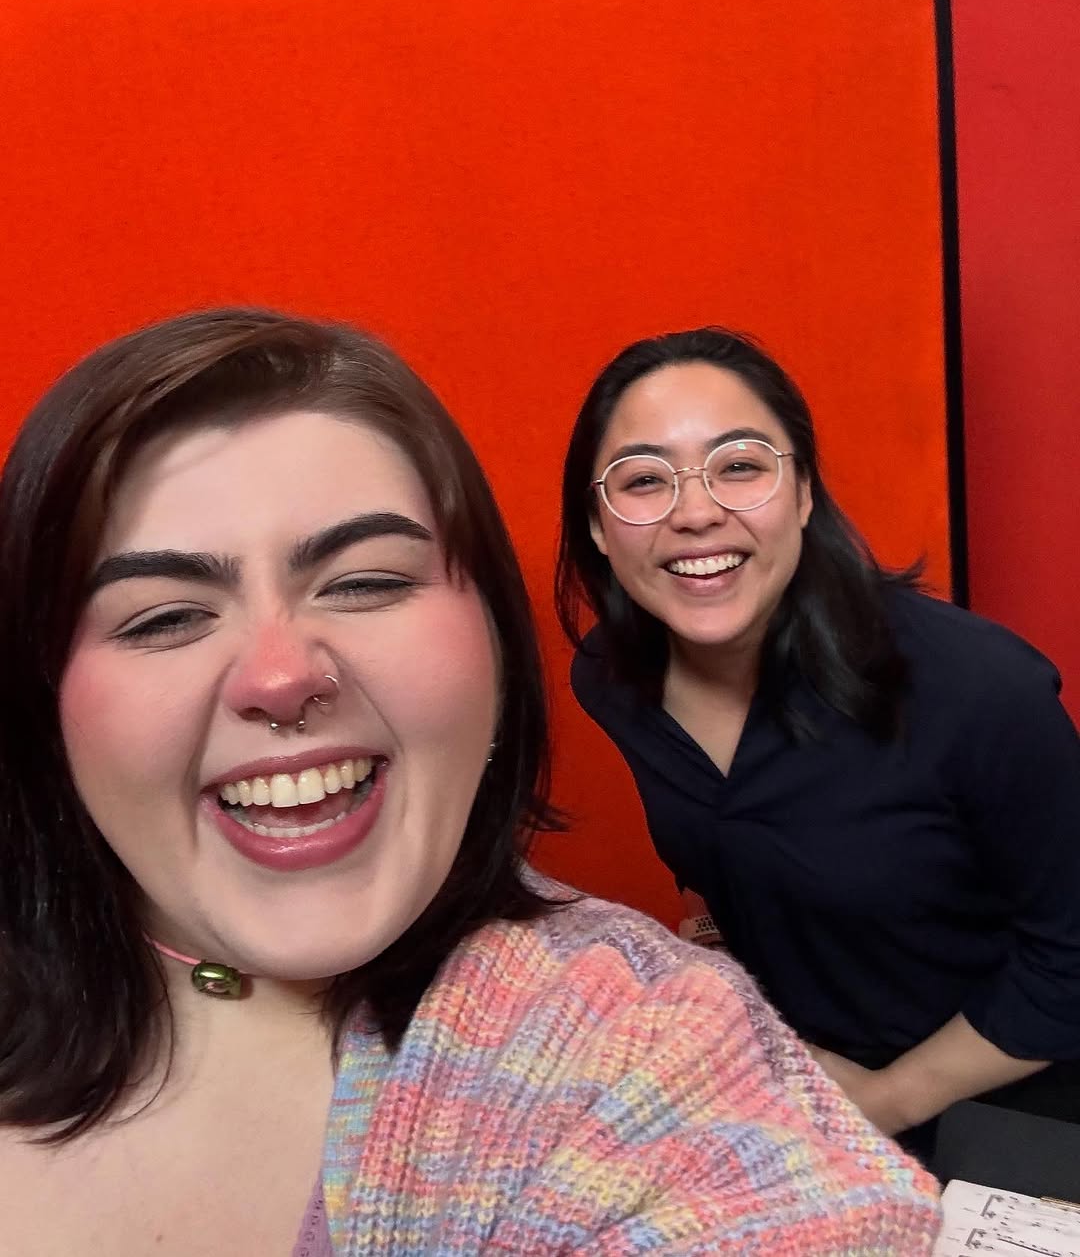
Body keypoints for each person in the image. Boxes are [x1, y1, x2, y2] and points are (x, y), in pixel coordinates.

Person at [0, 309, 938, 1255]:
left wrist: (894, 1093)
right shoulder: (616, 681)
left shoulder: (632, 1050)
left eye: (365, 582)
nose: (280, 678)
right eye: (162, 618)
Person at [556, 325, 1080, 1166]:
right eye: (645, 480)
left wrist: (883, 1099)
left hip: (1010, 1098)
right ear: (596, 524)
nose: (696, 512)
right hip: (801, 1085)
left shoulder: (981, 690)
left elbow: (1071, 957)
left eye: (739, 466)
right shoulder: (613, 682)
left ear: (802, 492)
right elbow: (735, 841)